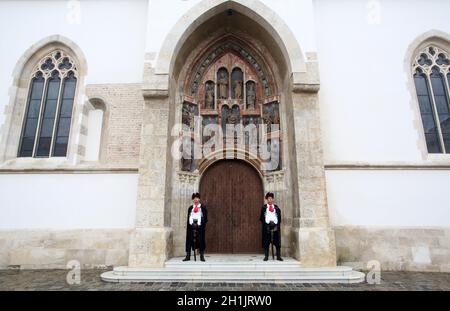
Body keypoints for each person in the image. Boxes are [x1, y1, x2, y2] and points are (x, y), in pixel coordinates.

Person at [183, 192, 208, 262]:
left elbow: (206, 219)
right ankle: (188, 256)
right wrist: (191, 224)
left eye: (197, 198)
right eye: (194, 198)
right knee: (189, 240)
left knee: (201, 240)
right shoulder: (190, 208)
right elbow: (188, 218)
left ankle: (201, 256)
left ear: (199, 199)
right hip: (191, 227)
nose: (195, 200)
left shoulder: (203, 208)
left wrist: (202, 219)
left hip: (200, 227)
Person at [259, 192, 283, 261]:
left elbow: (279, 217)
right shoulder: (264, 208)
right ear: (267, 199)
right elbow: (261, 218)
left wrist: (277, 224)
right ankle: (266, 256)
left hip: (275, 226)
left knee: (277, 241)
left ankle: (278, 256)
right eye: (269, 198)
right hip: (267, 227)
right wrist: (266, 224)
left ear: (272, 199)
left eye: (271, 198)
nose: (270, 200)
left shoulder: (276, 207)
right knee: (266, 241)